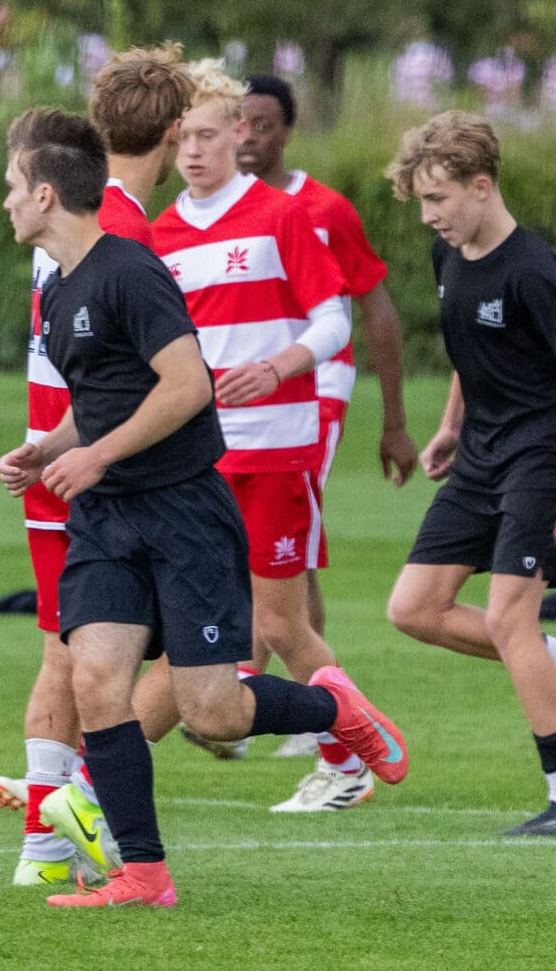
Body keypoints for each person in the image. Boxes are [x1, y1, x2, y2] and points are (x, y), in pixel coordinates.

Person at [0, 107, 408, 909]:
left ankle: (335, 708)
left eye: (12, 188)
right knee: (96, 681)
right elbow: (103, 395)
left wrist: (97, 453)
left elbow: (186, 387)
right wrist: (47, 448)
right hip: (107, 519)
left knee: (212, 713)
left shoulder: (130, 271)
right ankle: (144, 875)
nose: (5, 202)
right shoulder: (59, 290)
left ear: (46, 195)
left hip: (182, 512)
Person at [383, 112, 556, 836]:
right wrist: (451, 426)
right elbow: (468, 350)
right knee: (414, 607)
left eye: (438, 200)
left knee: (508, 618)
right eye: (422, 202)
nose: (428, 217)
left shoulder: (529, 267)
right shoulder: (448, 256)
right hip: (482, 454)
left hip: (540, 458)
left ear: (482, 186)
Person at [139, 65, 370, 816]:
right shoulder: (160, 235)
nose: (197, 151)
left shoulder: (278, 214)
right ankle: (81, 774)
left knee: (278, 622)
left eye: (211, 135)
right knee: (188, 631)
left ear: (239, 134)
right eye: (186, 138)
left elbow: (335, 317)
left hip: (277, 447)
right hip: (199, 458)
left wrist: (279, 366)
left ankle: (350, 760)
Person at [0, 46, 187, 890]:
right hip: (97, 469)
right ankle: (87, 804)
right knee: (194, 654)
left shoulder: (60, 225)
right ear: (174, 136)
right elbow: (166, 376)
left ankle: (44, 843)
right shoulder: (116, 232)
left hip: (54, 450)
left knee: (62, 654)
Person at [238, 74, 420, 787]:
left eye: (261, 123)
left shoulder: (321, 209)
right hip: (239, 404)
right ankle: (266, 689)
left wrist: (396, 423)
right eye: (239, 123)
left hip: (317, 388)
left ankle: (312, 708)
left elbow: (375, 311)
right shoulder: (213, 214)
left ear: (286, 132)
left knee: (290, 545)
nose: (248, 135)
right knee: (269, 547)